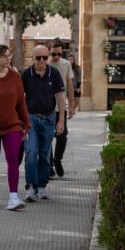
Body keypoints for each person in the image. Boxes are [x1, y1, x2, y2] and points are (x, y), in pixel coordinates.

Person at [0, 45, 30, 211]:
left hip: (12, 125)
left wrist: (26, 123)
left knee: (13, 159)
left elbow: (20, 102)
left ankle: (14, 197)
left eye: (9, 55)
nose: (8, 59)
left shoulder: (15, 77)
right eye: (4, 56)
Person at [21, 45, 66, 201]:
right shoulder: (26, 74)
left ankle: (42, 186)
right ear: (32, 58)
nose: (41, 61)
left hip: (49, 119)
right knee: (31, 152)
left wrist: (61, 121)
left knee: (45, 155)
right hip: (30, 119)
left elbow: (60, 97)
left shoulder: (54, 73)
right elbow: (20, 99)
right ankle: (30, 187)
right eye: (38, 57)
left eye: (44, 58)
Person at [48, 39, 76, 177]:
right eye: (54, 54)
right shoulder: (44, 62)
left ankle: (57, 159)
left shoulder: (66, 64)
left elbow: (70, 86)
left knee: (62, 135)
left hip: (61, 107)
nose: (56, 57)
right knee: (47, 136)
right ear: (49, 51)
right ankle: (49, 165)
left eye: (59, 54)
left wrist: (71, 106)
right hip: (45, 107)